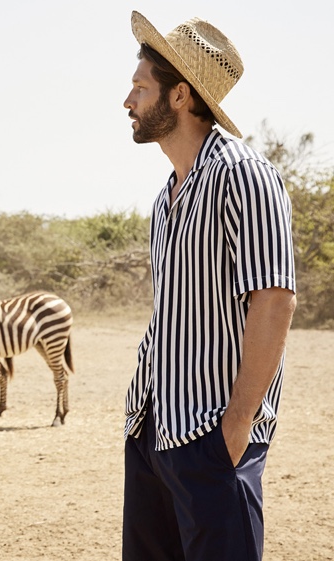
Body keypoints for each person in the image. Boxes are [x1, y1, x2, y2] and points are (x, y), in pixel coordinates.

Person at [121, 11, 297, 561]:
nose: (127, 101)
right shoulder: (166, 198)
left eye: (140, 87)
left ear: (179, 96)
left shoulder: (243, 174)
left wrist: (237, 424)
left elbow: (274, 298)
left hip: (213, 436)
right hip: (153, 429)